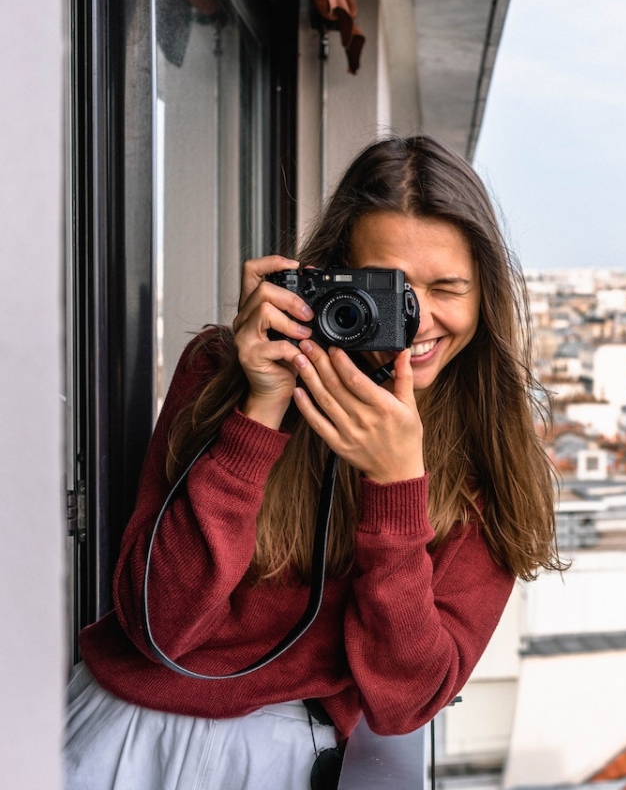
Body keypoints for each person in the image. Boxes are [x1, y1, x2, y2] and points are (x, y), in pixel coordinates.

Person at [64, 135, 563, 789]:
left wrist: (396, 489)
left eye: (447, 288)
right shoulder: (220, 369)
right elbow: (159, 625)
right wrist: (258, 409)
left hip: (284, 755)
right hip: (119, 729)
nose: (414, 321)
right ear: (332, 276)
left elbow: (409, 699)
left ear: (484, 296)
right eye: (388, 288)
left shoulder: (486, 458)